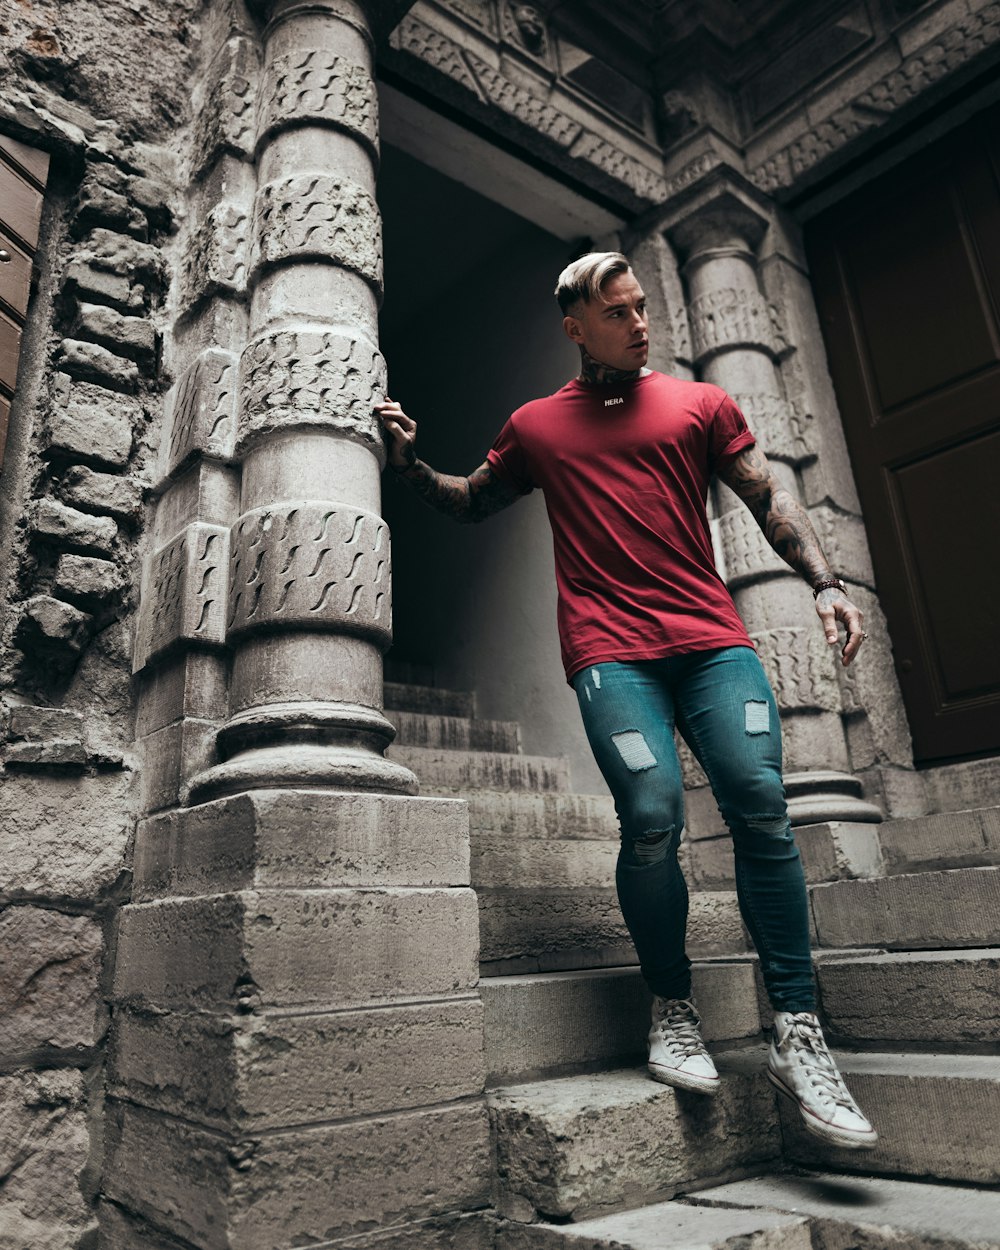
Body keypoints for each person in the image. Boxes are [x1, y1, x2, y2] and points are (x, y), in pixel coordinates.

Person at [375, 251, 877, 1152]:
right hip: (612, 654)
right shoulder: (536, 427)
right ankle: (671, 1006)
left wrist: (827, 582)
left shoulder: (700, 404)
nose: (640, 324)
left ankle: (798, 1030)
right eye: (619, 313)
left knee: (762, 809)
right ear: (576, 326)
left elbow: (767, 497)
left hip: (715, 644)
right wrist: (410, 467)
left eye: (643, 306)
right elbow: (468, 503)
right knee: (650, 816)